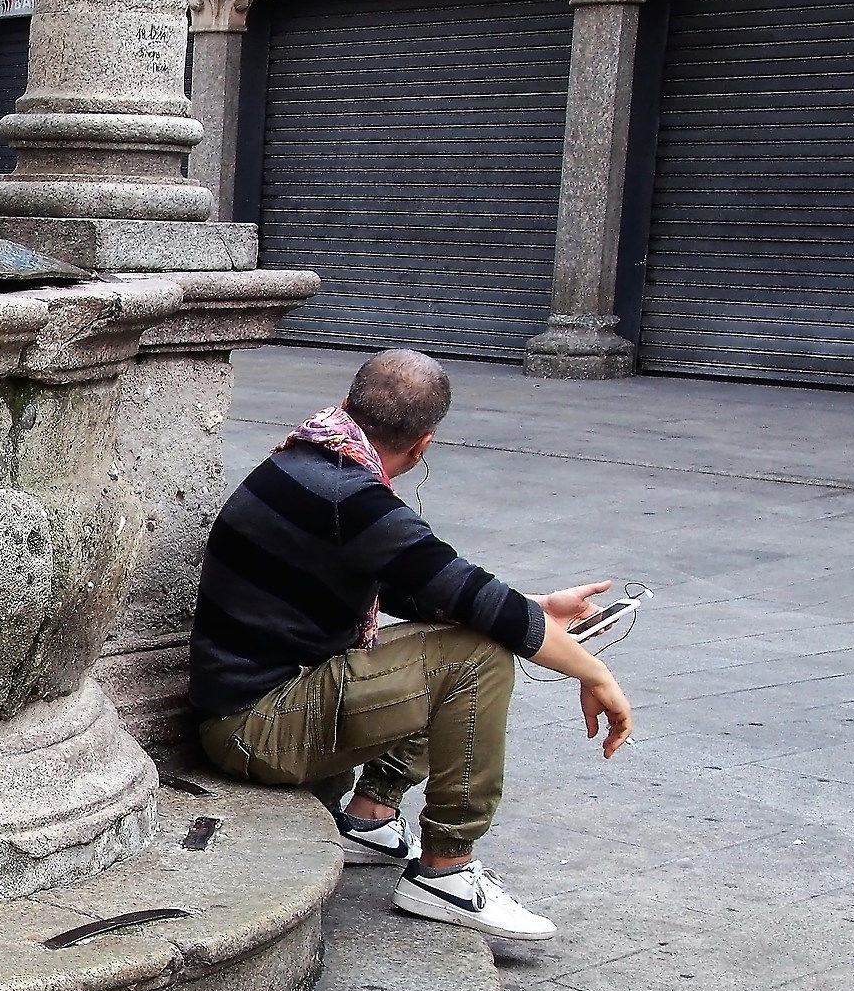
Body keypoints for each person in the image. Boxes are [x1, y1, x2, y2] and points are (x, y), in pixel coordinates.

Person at [189, 349, 632, 943]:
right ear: (423, 445)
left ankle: (369, 819)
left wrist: (538, 606)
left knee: (461, 639)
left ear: (351, 403)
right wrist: (595, 673)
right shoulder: (353, 498)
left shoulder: (312, 459)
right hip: (255, 728)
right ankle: (445, 870)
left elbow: (430, 591)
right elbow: (479, 607)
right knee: (476, 655)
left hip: (255, 708)